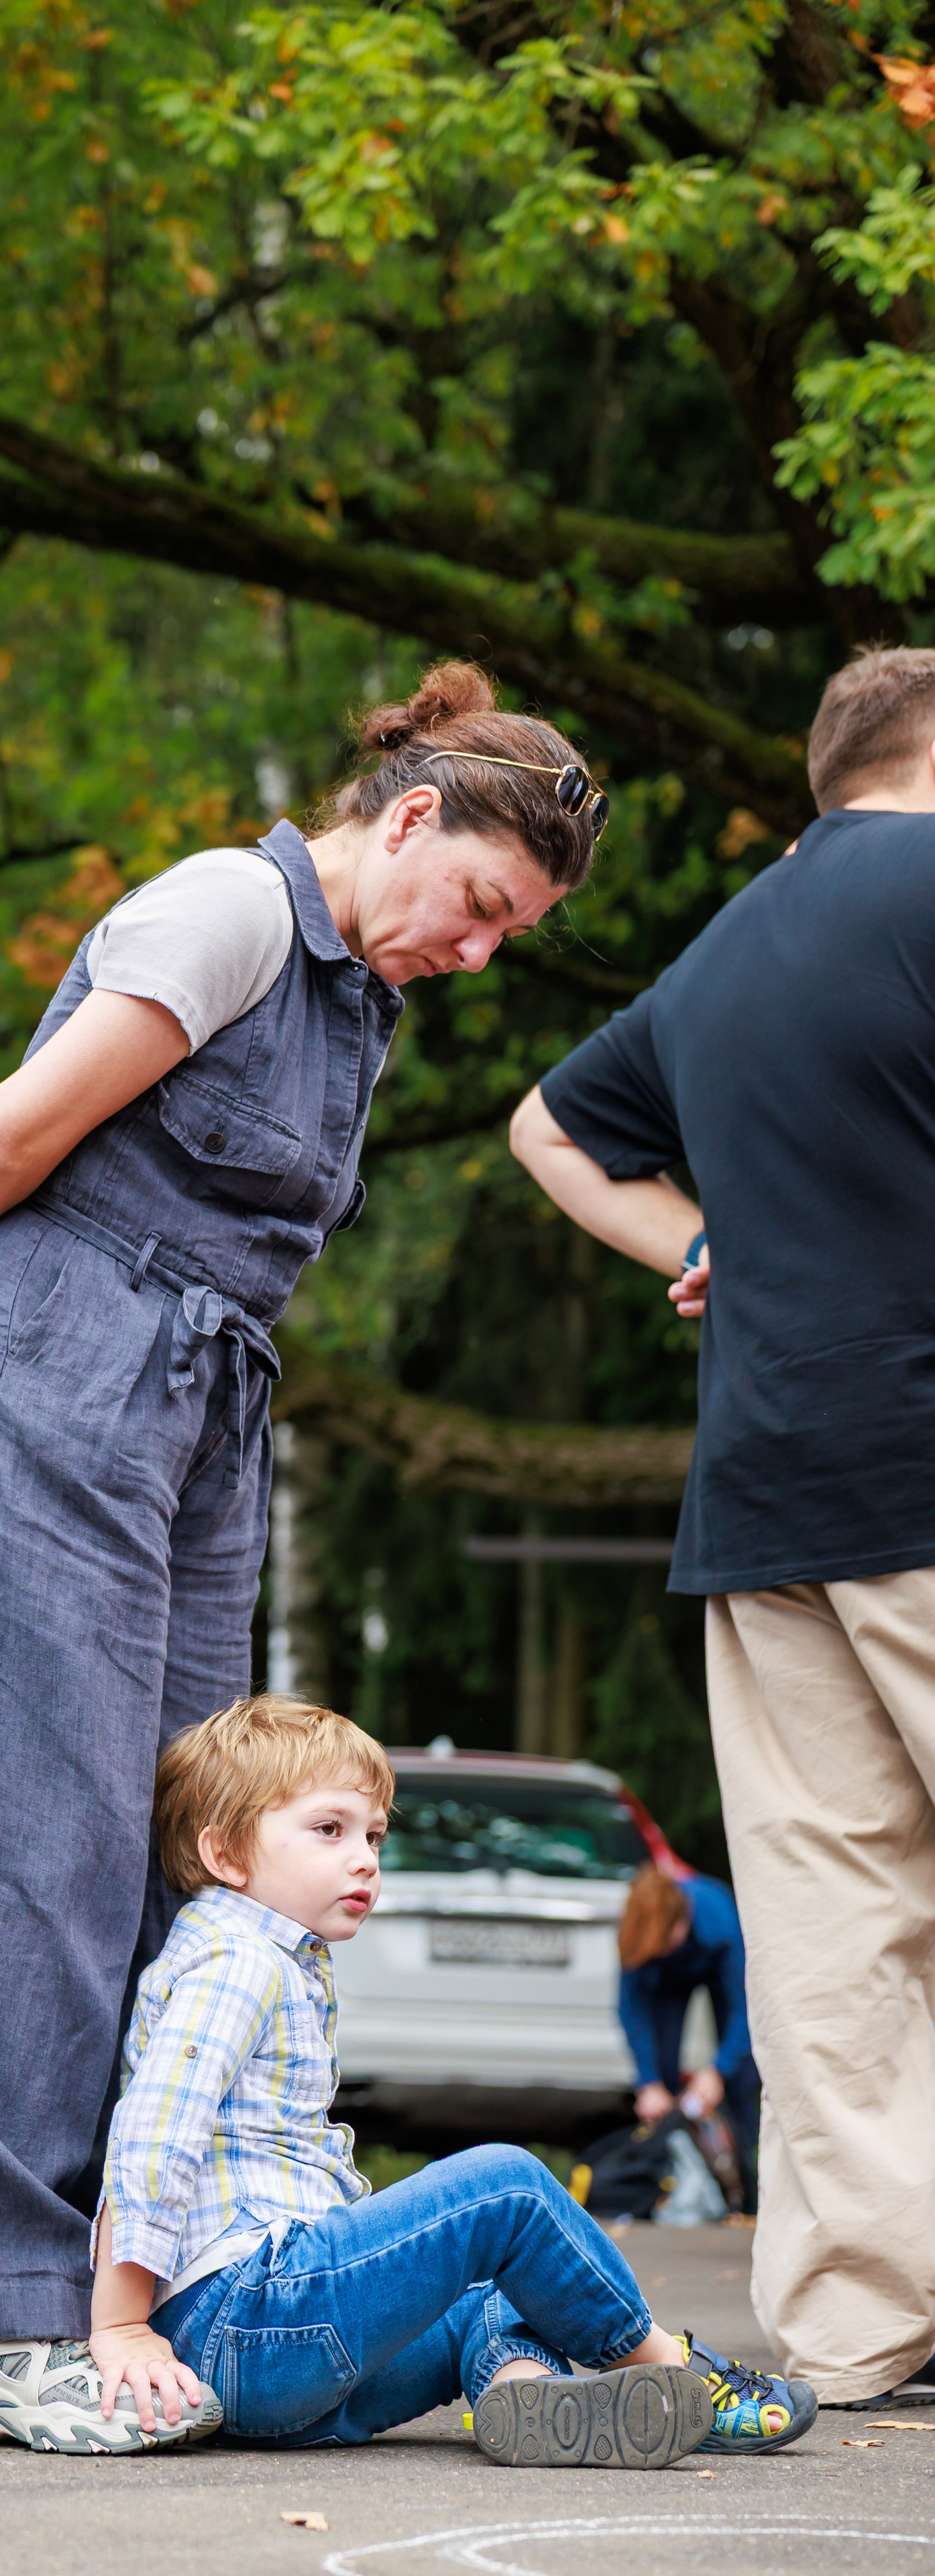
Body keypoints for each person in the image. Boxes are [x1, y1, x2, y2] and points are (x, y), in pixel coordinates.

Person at [0, 659, 614, 2446]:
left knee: (185, 1828)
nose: (474, 954)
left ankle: (148, 2285)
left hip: (200, 1397)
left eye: (507, 940)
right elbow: (19, 1125)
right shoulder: (236, 906)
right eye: (477, 907)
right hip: (49, 1351)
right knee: (19, 1825)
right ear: (410, 820)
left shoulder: (363, 998)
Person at [509, 643, 935, 2408]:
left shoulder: (735, 942)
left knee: (838, 1923)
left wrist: (706, 1244)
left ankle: (857, 2327)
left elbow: (549, 1128)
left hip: (767, 1490)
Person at [63, 1695, 810, 2462]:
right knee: (508, 2187)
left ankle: (525, 2399)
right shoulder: (235, 1962)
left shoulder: (270, 1958)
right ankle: (675, 2372)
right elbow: (154, 2131)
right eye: (329, 1830)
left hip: (293, 2370)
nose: (365, 1859)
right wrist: (121, 2324)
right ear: (226, 1856)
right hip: (249, 2324)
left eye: (373, 1837)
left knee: (513, 2291)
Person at [616, 1863, 759, 2214]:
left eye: (665, 1943)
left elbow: (745, 2008)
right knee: (661, 2080)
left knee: (741, 2078)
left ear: (681, 1924)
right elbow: (632, 2011)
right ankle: (666, 2184)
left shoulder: (718, 1919)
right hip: (667, 1982)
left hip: (714, 1961)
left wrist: (717, 2071)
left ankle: (745, 2189)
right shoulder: (642, 1937)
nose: (660, 1950)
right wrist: (647, 2082)